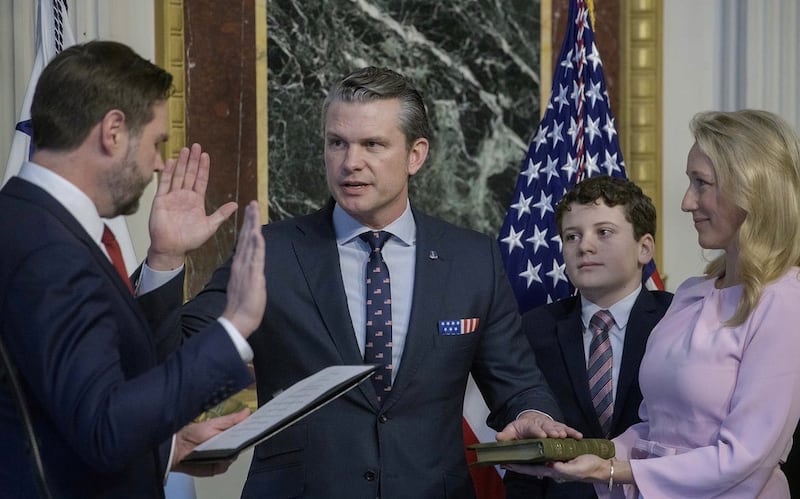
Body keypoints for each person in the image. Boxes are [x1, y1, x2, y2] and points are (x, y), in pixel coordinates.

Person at [172, 66, 580, 499]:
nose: (350, 162)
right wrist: (166, 258)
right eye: (337, 143)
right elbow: (175, 354)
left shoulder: (473, 260)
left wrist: (534, 415)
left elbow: (517, 383)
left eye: (372, 144)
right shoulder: (271, 251)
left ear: (415, 155)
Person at [0, 40, 266, 498]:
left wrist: (168, 449)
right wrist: (234, 326)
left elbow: (64, 414)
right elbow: (104, 429)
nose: (159, 164)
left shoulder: (23, 219)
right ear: (114, 131)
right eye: (157, 142)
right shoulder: (51, 251)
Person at [501, 109, 800, 498]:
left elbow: (745, 457)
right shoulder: (693, 294)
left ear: (752, 187)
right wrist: (573, 457)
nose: (687, 202)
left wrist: (612, 470)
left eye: (701, 183)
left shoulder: (785, 301)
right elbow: (653, 431)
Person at [503, 175, 673, 499]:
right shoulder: (534, 328)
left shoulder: (677, 320)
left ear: (644, 248)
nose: (584, 246)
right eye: (572, 236)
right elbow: (524, 452)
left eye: (603, 232)